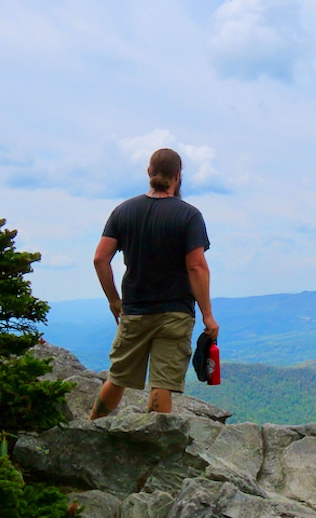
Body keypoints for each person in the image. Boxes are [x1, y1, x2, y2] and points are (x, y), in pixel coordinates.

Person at [89, 148, 219, 420]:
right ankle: (155, 445)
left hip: (134, 310)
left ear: (149, 173)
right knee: (163, 384)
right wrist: (207, 315)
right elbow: (196, 266)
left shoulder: (124, 211)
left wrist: (114, 301)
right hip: (175, 312)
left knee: (118, 377)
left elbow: (101, 259)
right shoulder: (188, 215)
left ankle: (91, 427)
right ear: (178, 176)